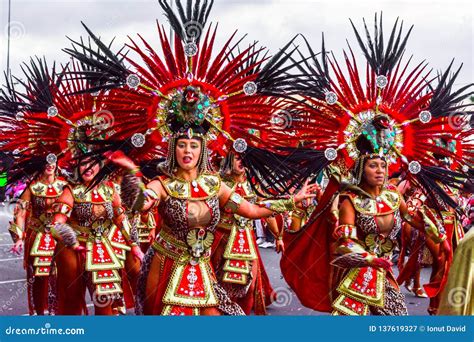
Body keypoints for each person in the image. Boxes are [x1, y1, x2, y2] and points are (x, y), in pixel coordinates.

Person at [9, 160, 67, 315]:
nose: (49, 165)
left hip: (59, 236)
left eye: (53, 161)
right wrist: (20, 237)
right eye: (46, 162)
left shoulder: (65, 186)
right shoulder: (33, 187)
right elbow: (20, 214)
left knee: (60, 275)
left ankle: (57, 311)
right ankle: (39, 312)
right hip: (37, 235)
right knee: (38, 277)